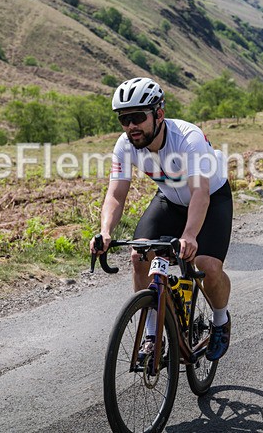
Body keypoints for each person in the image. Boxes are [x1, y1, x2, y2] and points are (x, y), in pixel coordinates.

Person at [90, 77, 234, 361]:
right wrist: (105, 231)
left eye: (137, 117)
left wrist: (190, 235)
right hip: (169, 199)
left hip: (210, 197)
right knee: (139, 255)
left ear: (159, 114)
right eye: (124, 119)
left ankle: (220, 321)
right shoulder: (125, 145)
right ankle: (152, 335)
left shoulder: (188, 138)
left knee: (207, 266)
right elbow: (116, 195)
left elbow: (200, 193)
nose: (131, 126)